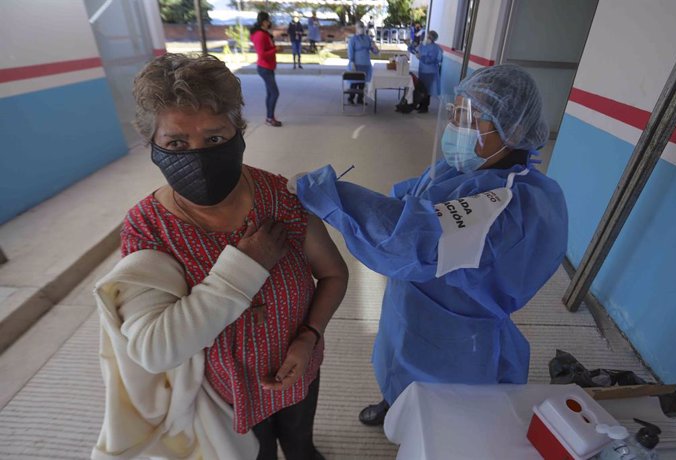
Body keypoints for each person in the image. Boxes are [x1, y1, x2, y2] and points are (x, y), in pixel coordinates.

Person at [92, 53, 348, 460]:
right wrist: (247, 266)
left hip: (300, 365)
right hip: (221, 396)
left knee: (301, 446)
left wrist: (308, 337)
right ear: (153, 147)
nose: (198, 155)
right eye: (177, 142)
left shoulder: (281, 198)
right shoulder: (148, 228)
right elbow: (157, 349)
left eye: (214, 138)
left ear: (240, 132)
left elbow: (333, 275)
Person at [290, 64, 568, 426]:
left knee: (443, 401)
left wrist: (332, 196)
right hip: (411, 299)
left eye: (471, 118)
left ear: (513, 128)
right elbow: (409, 201)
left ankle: (423, 424)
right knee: (397, 357)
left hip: (455, 325)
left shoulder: (509, 203)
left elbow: (411, 238)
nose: (456, 127)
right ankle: (393, 400)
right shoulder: (464, 170)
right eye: (456, 112)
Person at [250, 11, 282, 127]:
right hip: (264, 67)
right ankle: (269, 118)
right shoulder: (260, 35)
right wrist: (275, 50)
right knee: (274, 93)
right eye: (268, 20)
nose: (270, 22)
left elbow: (267, 48)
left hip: (268, 67)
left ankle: (270, 117)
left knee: (270, 93)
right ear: (264, 22)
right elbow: (262, 53)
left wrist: (274, 48)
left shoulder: (264, 33)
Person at [347, 21, 379, 105]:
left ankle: (360, 99)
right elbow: (350, 51)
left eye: (362, 26)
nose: (361, 28)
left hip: (366, 64)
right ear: (356, 28)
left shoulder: (368, 38)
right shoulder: (353, 39)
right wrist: (351, 61)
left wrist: (374, 47)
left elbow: (375, 51)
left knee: (362, 83)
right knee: (354, 83)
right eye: (359, 27)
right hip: (356, 64)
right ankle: (351, 98)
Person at [412, 30, 443, 113]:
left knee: (427, 90)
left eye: (429, 37)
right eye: (427, 36)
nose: (427, 38)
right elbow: (415, 50)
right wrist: (410, 45)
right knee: (421, 88)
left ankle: (425, 107)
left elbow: (431, 60)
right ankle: (421, 105)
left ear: (433, 39)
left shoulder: (435, 48)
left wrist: (421, 57)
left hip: (430, 72)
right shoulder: (423, 45)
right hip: (422, 70)